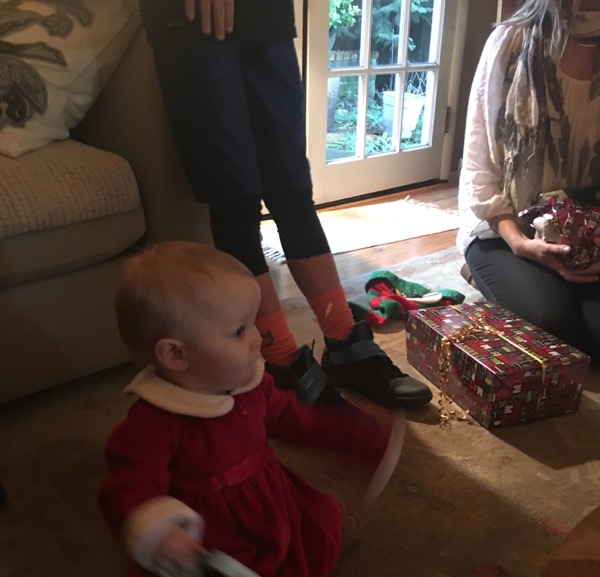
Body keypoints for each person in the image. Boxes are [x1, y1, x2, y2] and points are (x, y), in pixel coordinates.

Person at [98, 241, 396, 577]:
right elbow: (124, 491)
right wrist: (162, 535)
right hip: (204, 545)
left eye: (252, 323)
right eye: (239, 331)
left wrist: (357, 437)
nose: (259, 339)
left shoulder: (250, 385)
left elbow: (293, 420)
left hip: (265, 510)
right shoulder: (152, 423)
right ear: (175, 355)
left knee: (316, 530)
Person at [136, 0, 432, 408]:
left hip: (266, 14)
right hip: (191, 22)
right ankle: (279, 361)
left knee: (292, 189)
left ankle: (343, 342)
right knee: (234, 199)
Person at [457, 0, 600, 359]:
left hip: (589, 230)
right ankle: (479, 271)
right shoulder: (512, 42)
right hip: (506, 231)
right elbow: (479, 168)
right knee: (552, 324)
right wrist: (520, 243)